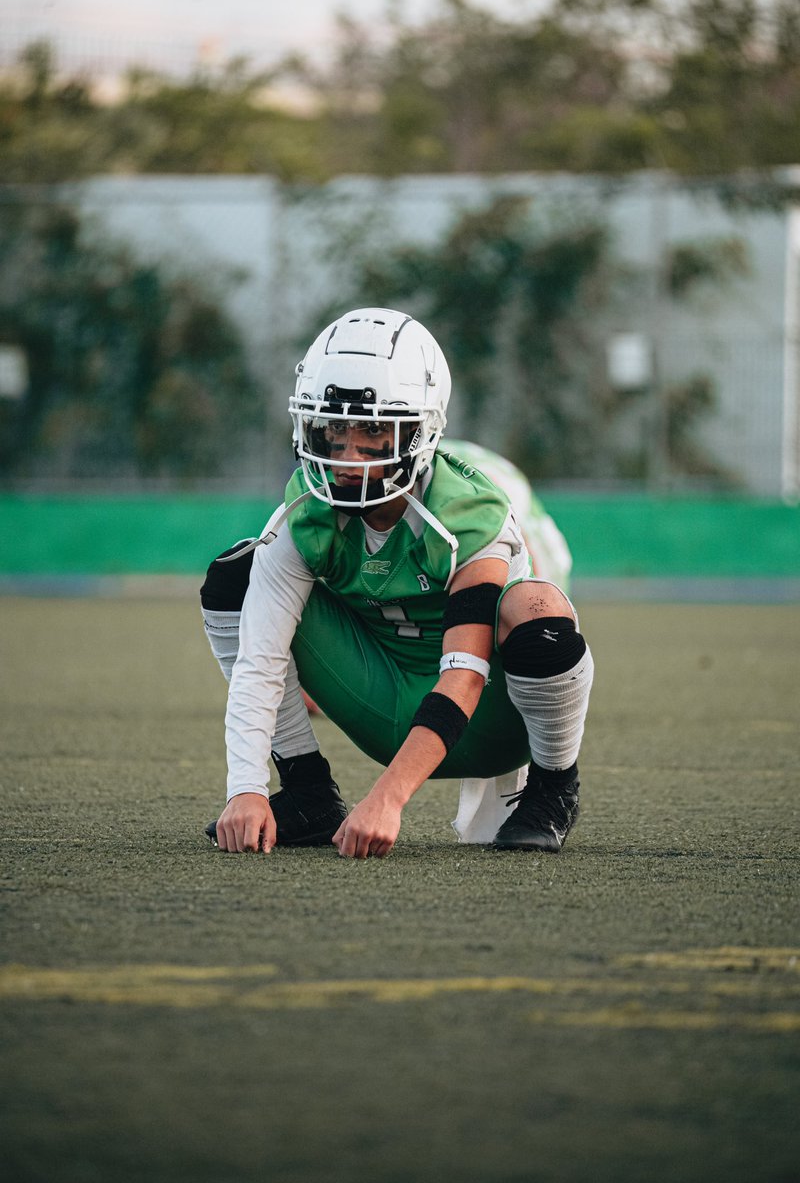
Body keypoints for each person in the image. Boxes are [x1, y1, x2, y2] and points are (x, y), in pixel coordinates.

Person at [200, 307, 594, 859]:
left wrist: (387, 799)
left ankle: (553, 789)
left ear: (420, 432)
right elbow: (259, 660)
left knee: (538, 607)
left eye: (373, 433)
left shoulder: (468, 515)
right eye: (333, 431)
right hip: (378, 700)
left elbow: (463, 677)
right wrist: (244, 788)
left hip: (488, 718)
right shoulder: (304, 516)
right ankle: (308, 792)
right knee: (233, 578)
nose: (347, 458)